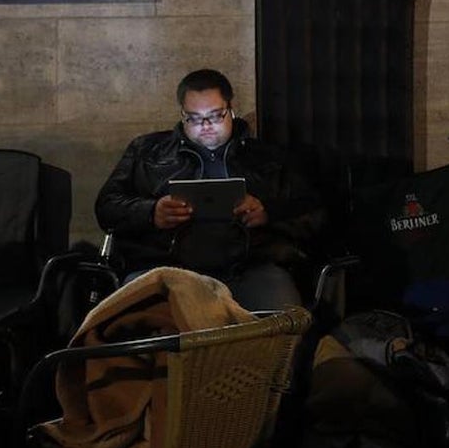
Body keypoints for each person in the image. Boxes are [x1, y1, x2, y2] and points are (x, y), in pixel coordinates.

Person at [95, 68, 324, 310]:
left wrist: (269, 213)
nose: (205, 126)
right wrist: (150, 212)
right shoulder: (147, 151)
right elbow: (106, 207)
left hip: (251, 267)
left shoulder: (267, 158)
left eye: (215, 116)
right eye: (194, 118)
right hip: (164, 267)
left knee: (284, 326)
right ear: (182, 114)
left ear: (231, 111)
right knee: (132, 325)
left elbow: (315, 212)